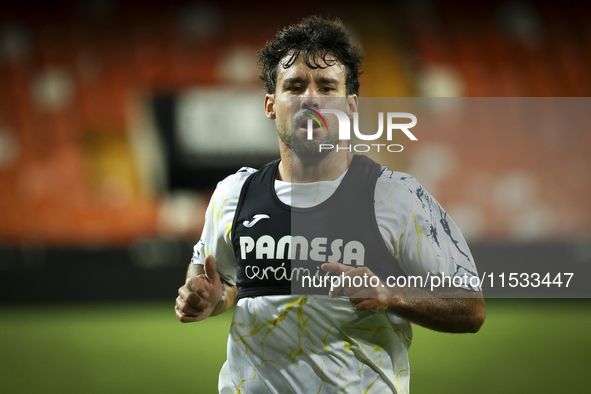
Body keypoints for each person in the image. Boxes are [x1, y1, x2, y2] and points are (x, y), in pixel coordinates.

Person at [175, 16, 485, 394]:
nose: (310, 99)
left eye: (326, 87)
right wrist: (206, 297)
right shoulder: (233, 194)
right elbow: (218, 280)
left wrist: (391, 295)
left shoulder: (397, 196)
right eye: (294, 86)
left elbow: (470, 308)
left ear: (350, 106)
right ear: (271, 105)